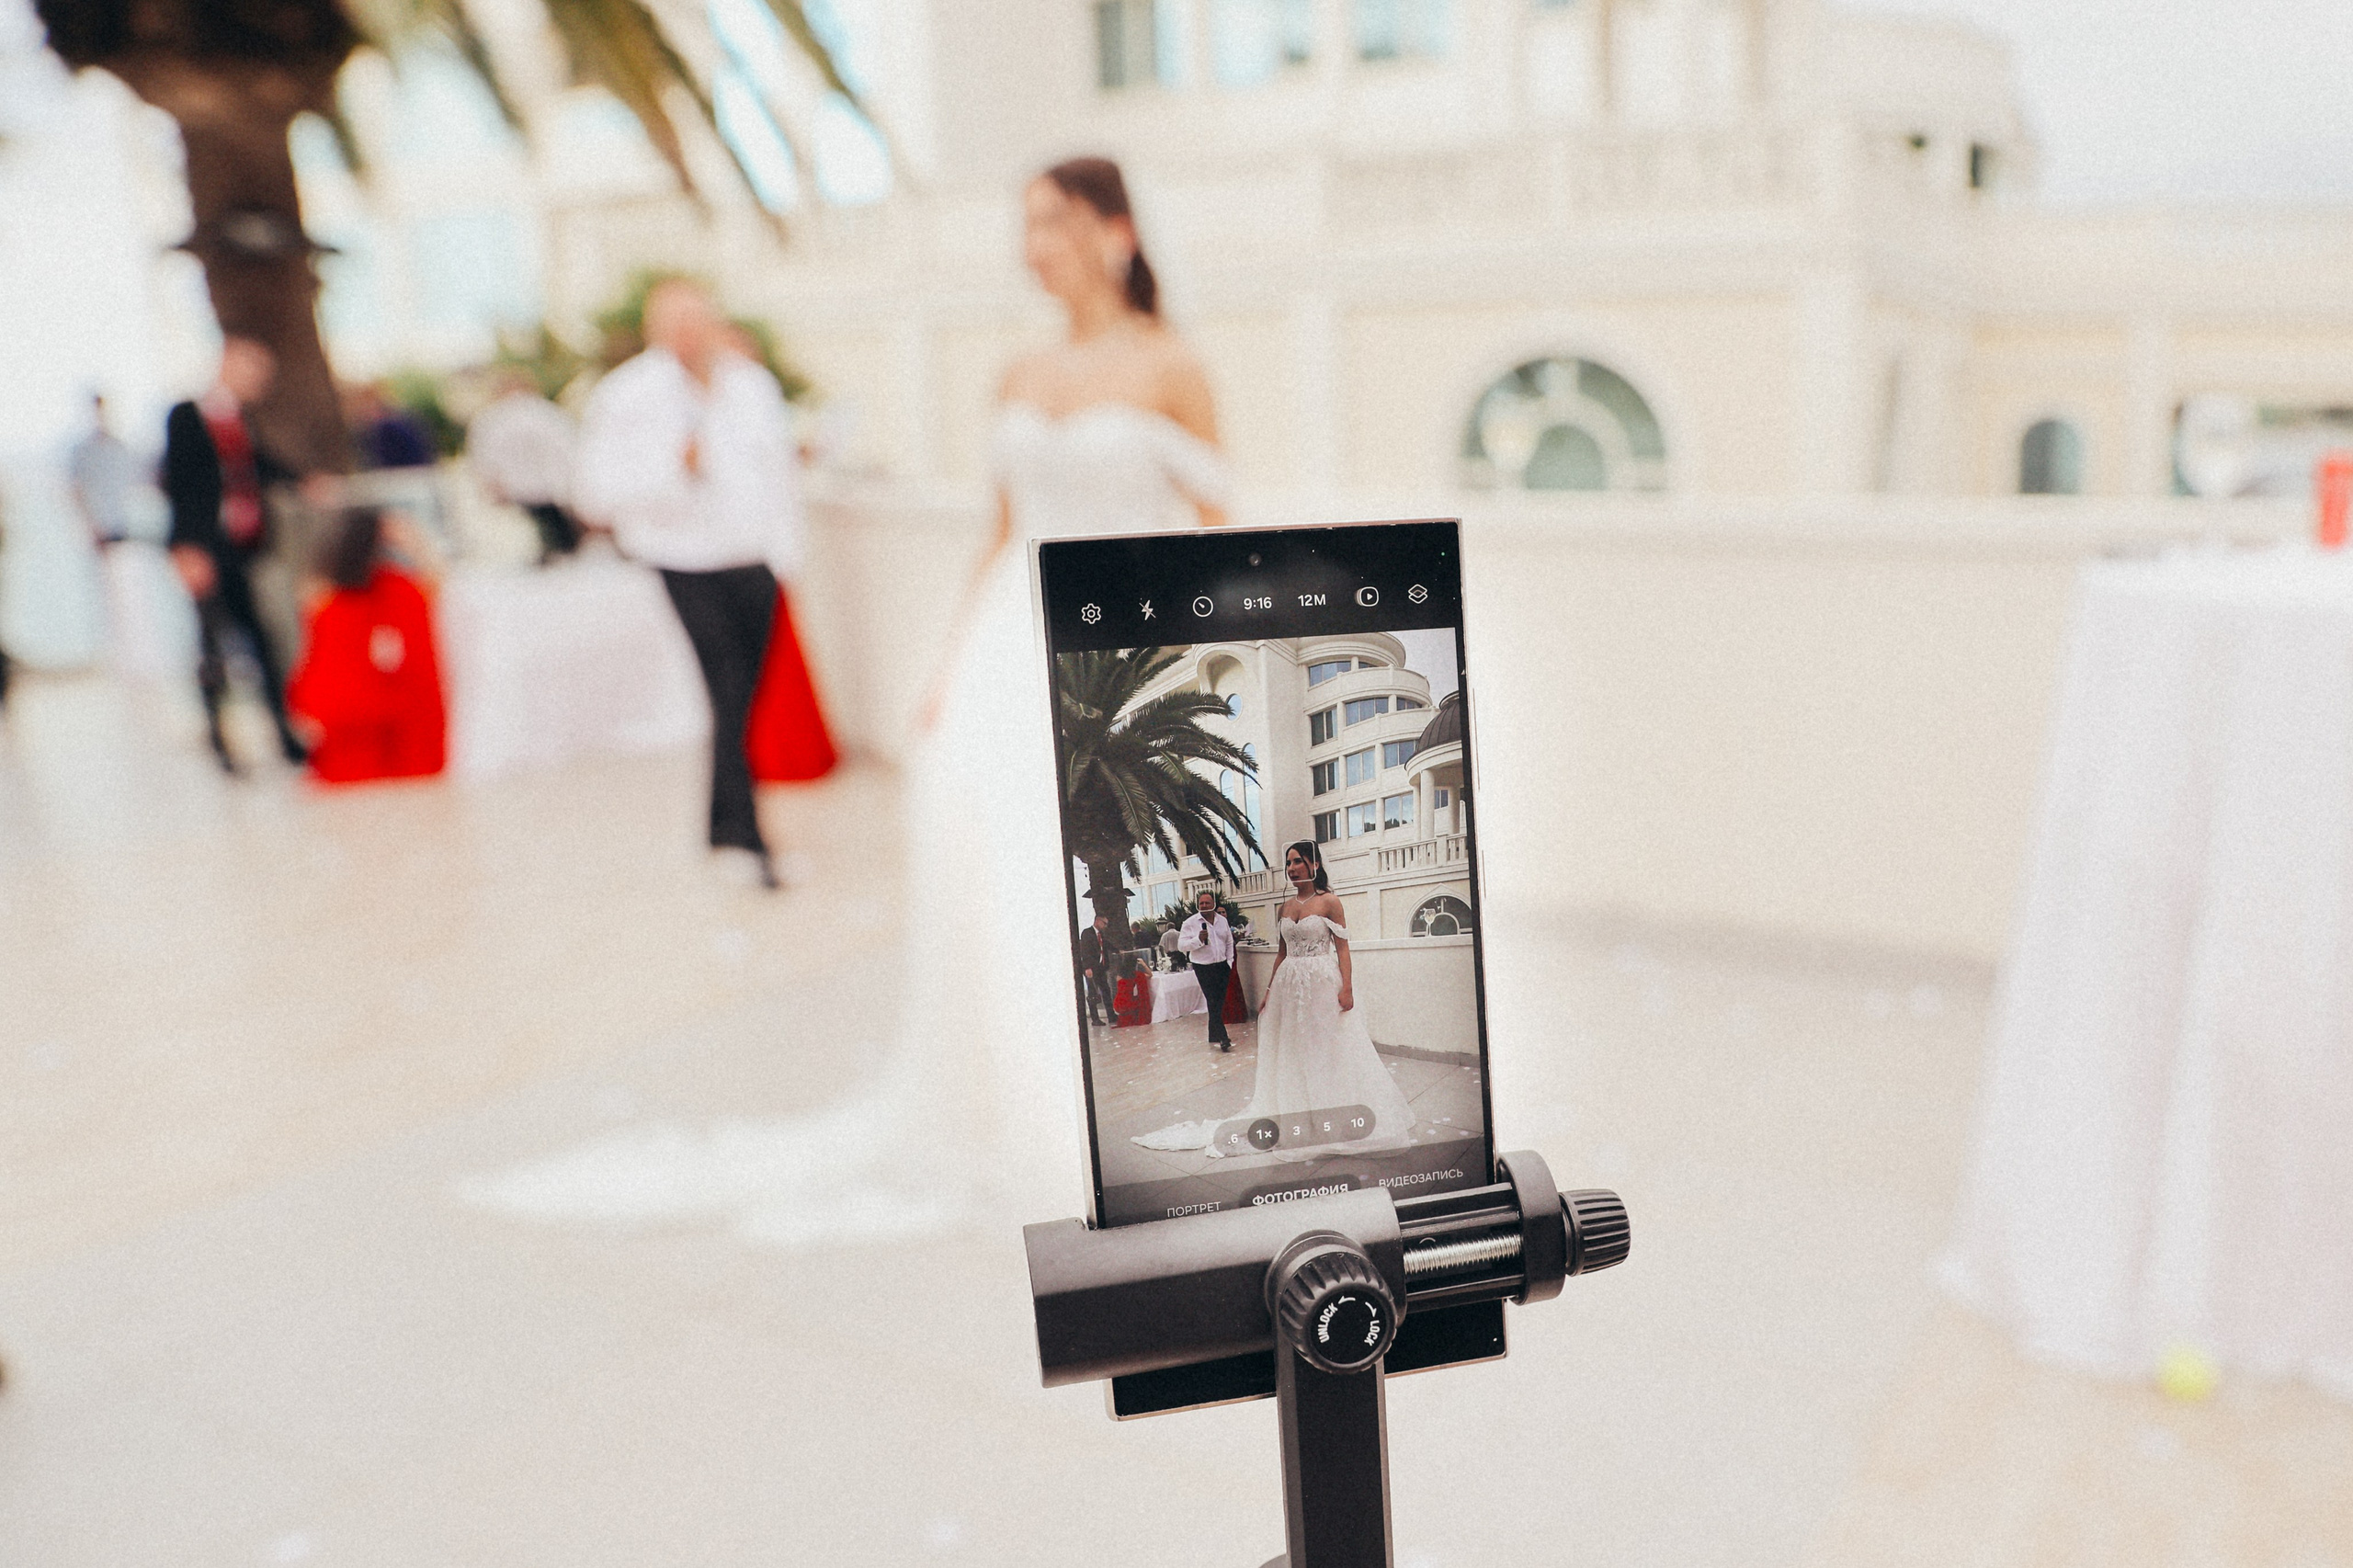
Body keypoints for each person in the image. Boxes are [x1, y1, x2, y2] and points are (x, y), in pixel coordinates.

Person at [574, 278, 804, 890]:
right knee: (727, 687)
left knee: (744, 695)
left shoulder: (751, 386)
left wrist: (787, 554)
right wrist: (675, 470)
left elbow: (776, 473)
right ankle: (750, 836)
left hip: (754, 557)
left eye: (697, 319)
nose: (688, 333)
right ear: (654, 328)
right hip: (682, 559)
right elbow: (595, 493)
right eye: (675, 321)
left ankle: (724, 824)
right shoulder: (626, 396)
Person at [1134, 841, 1418, 1158]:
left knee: (1326, 1046)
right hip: (1288, 985)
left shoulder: (1330, 902)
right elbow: (1282, 953)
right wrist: (1269, 992)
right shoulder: (1286, 906)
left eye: (1298, 861)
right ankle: (1299, 1110)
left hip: (1322, 982)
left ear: (1314, 864)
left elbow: (1343, 948)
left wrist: (1347, 987)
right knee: (1294, 1047)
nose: (1292, 868)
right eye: (1289, 864)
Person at [163, 336, 309, 772]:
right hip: (205, 550)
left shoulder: (240, 418)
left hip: (244, 548)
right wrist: (187, 549)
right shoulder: (188, 417)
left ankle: (283, 734)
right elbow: (181, 485)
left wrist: (306, 481)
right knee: (213, 649)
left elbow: (260, 466)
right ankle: (221, 742)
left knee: (262, 642)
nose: (259, 381)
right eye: (253, 370)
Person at [285, 507, 447, 784]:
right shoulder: (397, 590)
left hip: (345, 719)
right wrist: (414, 542)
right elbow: (438, 584)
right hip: (391, 720)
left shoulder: (323, 597)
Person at [466, 373, 582, 563]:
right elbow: (567, 444)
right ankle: (560, 547)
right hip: (550, 480)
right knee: (550, 516)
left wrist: (491, 482)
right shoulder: (547, 412)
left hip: (520, 483)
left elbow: (486, 455)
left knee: (542, 517)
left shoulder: (493, 418)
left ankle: (557, 547)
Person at [68, 394, 142, 551]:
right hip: (92, 528)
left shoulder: (119, 448)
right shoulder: (83, 451)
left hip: (117, 523)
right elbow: (76, 489)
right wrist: (90, 524)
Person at [1179, 889, 1236, 1052]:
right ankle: (1223, 1038)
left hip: (1221, 966)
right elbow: (1181, 946)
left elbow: (1228, 942)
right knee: (1212, 1000)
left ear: (1214, 905)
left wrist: (1230, 962)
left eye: (1207, 903)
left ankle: (1213, 1034)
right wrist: (1198, 939)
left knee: (1218, 1001)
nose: (1204, 906)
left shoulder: (1222, 921)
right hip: (1203, 967)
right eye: (1201, 903)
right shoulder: (1190, 923)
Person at [1076, 914, 1114, 1026]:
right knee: (1093, 993)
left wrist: (1118, 950)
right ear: (1097, 921)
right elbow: (1085, 951)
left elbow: (1106, 946)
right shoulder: (1087, 933)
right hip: (1091, 969)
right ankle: (1095, 1018)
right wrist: (1087, 968)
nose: (1105, 926)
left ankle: (1111, 1015)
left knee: (1106, 991)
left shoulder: (1101, 935)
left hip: (1101, 968)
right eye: (1104, 923)